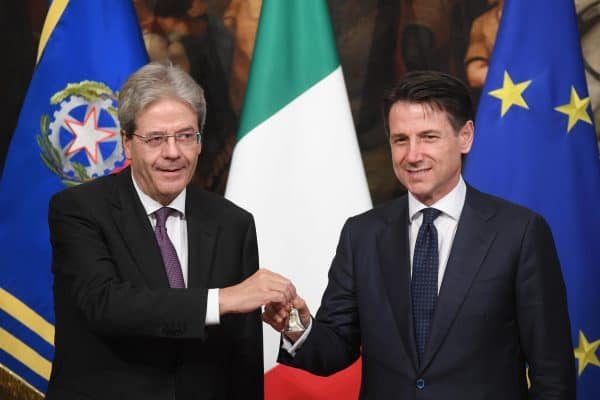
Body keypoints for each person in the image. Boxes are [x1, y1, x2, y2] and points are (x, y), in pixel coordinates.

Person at [263, 70, 575, 399]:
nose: (412, 155)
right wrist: (294, 325)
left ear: (465, 136)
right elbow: (336, 349)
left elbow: (552, 372)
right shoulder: (362, 235)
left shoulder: (520, 232)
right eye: (401, 140)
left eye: (428, 137)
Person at [46, 62, 296, 400]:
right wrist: (221, 299)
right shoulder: (79, 209)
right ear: (127, 143)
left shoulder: (232, 222)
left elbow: (243, 353)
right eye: (156, 139)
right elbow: (105, 304)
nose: (173, 152)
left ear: (200, 142)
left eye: (185, 136)